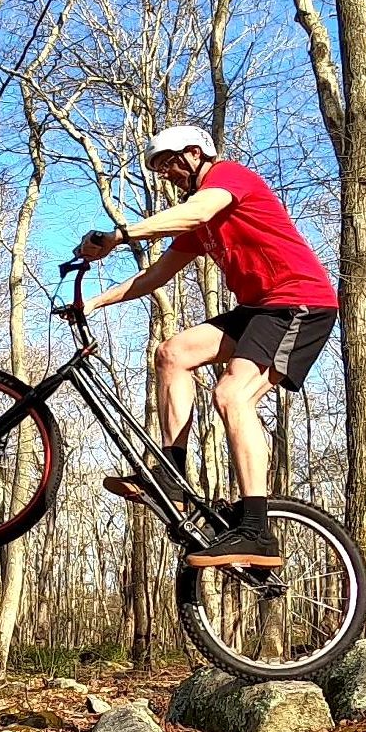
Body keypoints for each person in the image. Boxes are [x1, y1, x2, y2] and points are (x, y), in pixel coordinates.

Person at [75, 124, 338, 568]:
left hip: (300, 302)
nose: (166, 174)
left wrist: (119, 235)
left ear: (196, 153)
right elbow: (155, 276)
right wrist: (92, 303)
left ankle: (256, 530)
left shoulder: (228, 177)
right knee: (172, 354)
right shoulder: (200, 226)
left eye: (170, 163)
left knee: (231, 395)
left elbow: (195, 211)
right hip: (258, 308)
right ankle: (171, 475)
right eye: (159, 169)